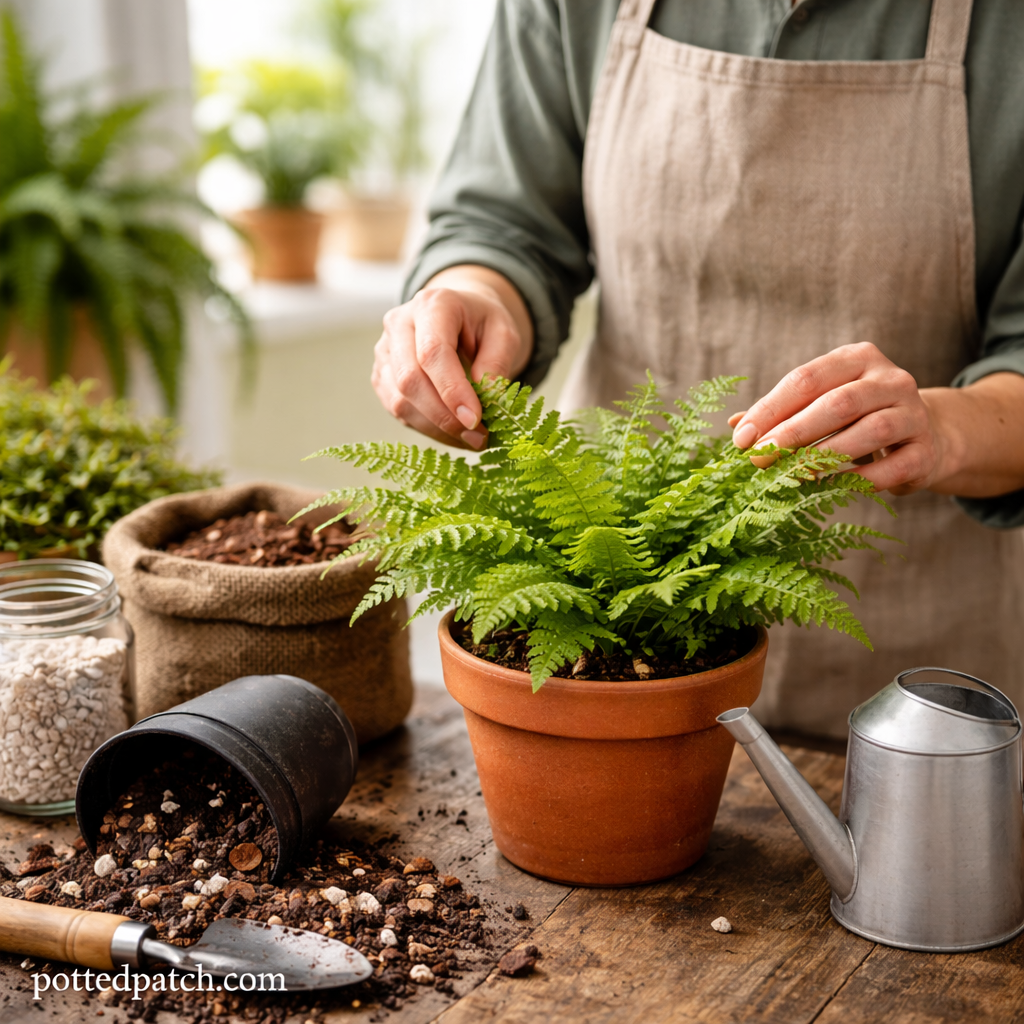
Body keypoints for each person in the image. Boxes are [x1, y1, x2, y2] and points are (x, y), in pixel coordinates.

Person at [372, 0, 1024, 737]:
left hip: (918, 675)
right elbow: (504, 222)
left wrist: (944, 427)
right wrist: (472, 297)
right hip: (604, 614)